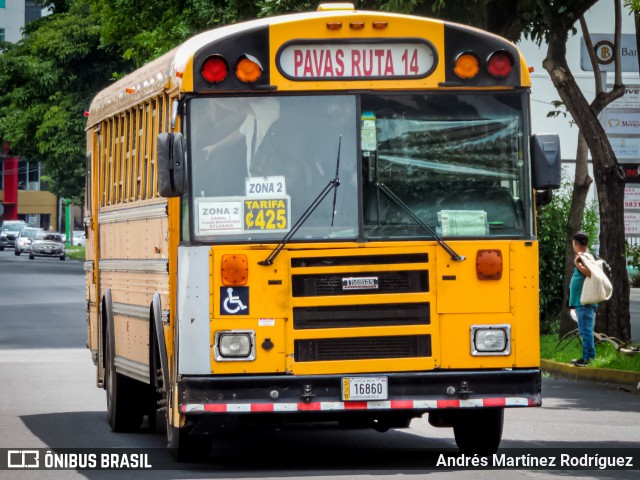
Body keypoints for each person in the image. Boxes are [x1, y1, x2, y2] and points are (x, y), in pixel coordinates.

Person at [568, 231, 597, 367]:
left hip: (583, 301)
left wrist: (577, 264)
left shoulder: (583, 257)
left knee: (585, 330)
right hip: (582, 301)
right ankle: (587, 356)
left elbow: (590, 273)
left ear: (576, 244)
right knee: (585, 330)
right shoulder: (586, 256)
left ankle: (588, 358)